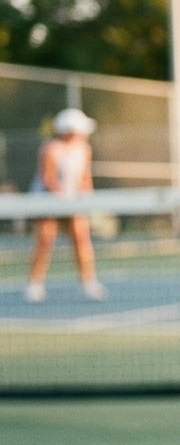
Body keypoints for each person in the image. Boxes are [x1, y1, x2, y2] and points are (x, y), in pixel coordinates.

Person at [25, 108, 105, 303]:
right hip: (47, 200)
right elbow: (48, 178)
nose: (84, 133)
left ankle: (88, 282)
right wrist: (63, 198)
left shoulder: (85, 149)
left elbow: (85, 178)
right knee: (45, 240)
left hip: (73, 202)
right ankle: (35, 284)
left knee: (81, 239)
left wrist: (87, 198)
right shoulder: (50, 148)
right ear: (69, 130)